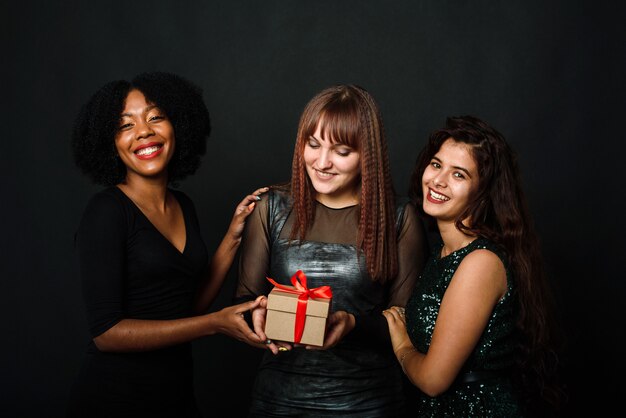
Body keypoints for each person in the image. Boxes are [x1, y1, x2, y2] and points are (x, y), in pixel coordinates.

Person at [66, 71, 268, 418]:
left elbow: (187, 307)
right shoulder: (107, 211)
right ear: (110, 143)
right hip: (114, 399)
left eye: (156, 117)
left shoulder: (183, 205)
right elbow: (107, 333)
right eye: (125, 125)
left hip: (175, 393)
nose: (144, 131)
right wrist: (215, 324)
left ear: (178, 126)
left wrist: (234, 236)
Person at [234, 84, 429, 416]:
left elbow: (406, 324)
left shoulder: (400, 216)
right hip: (279, 399)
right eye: (313, 145)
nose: (321, 162)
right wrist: (258, 315)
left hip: (368, 402)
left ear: (367, 154)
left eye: (341, 151)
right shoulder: (271, 208)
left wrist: (352, 324)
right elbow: (244, 299)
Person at [383, 116, 565, 417]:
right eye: (437, 164)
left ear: (483, 192)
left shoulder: (480, 263)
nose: (438, 180)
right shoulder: (442, 253)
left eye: (459, 175)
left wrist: (402, 346)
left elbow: (433, 380)